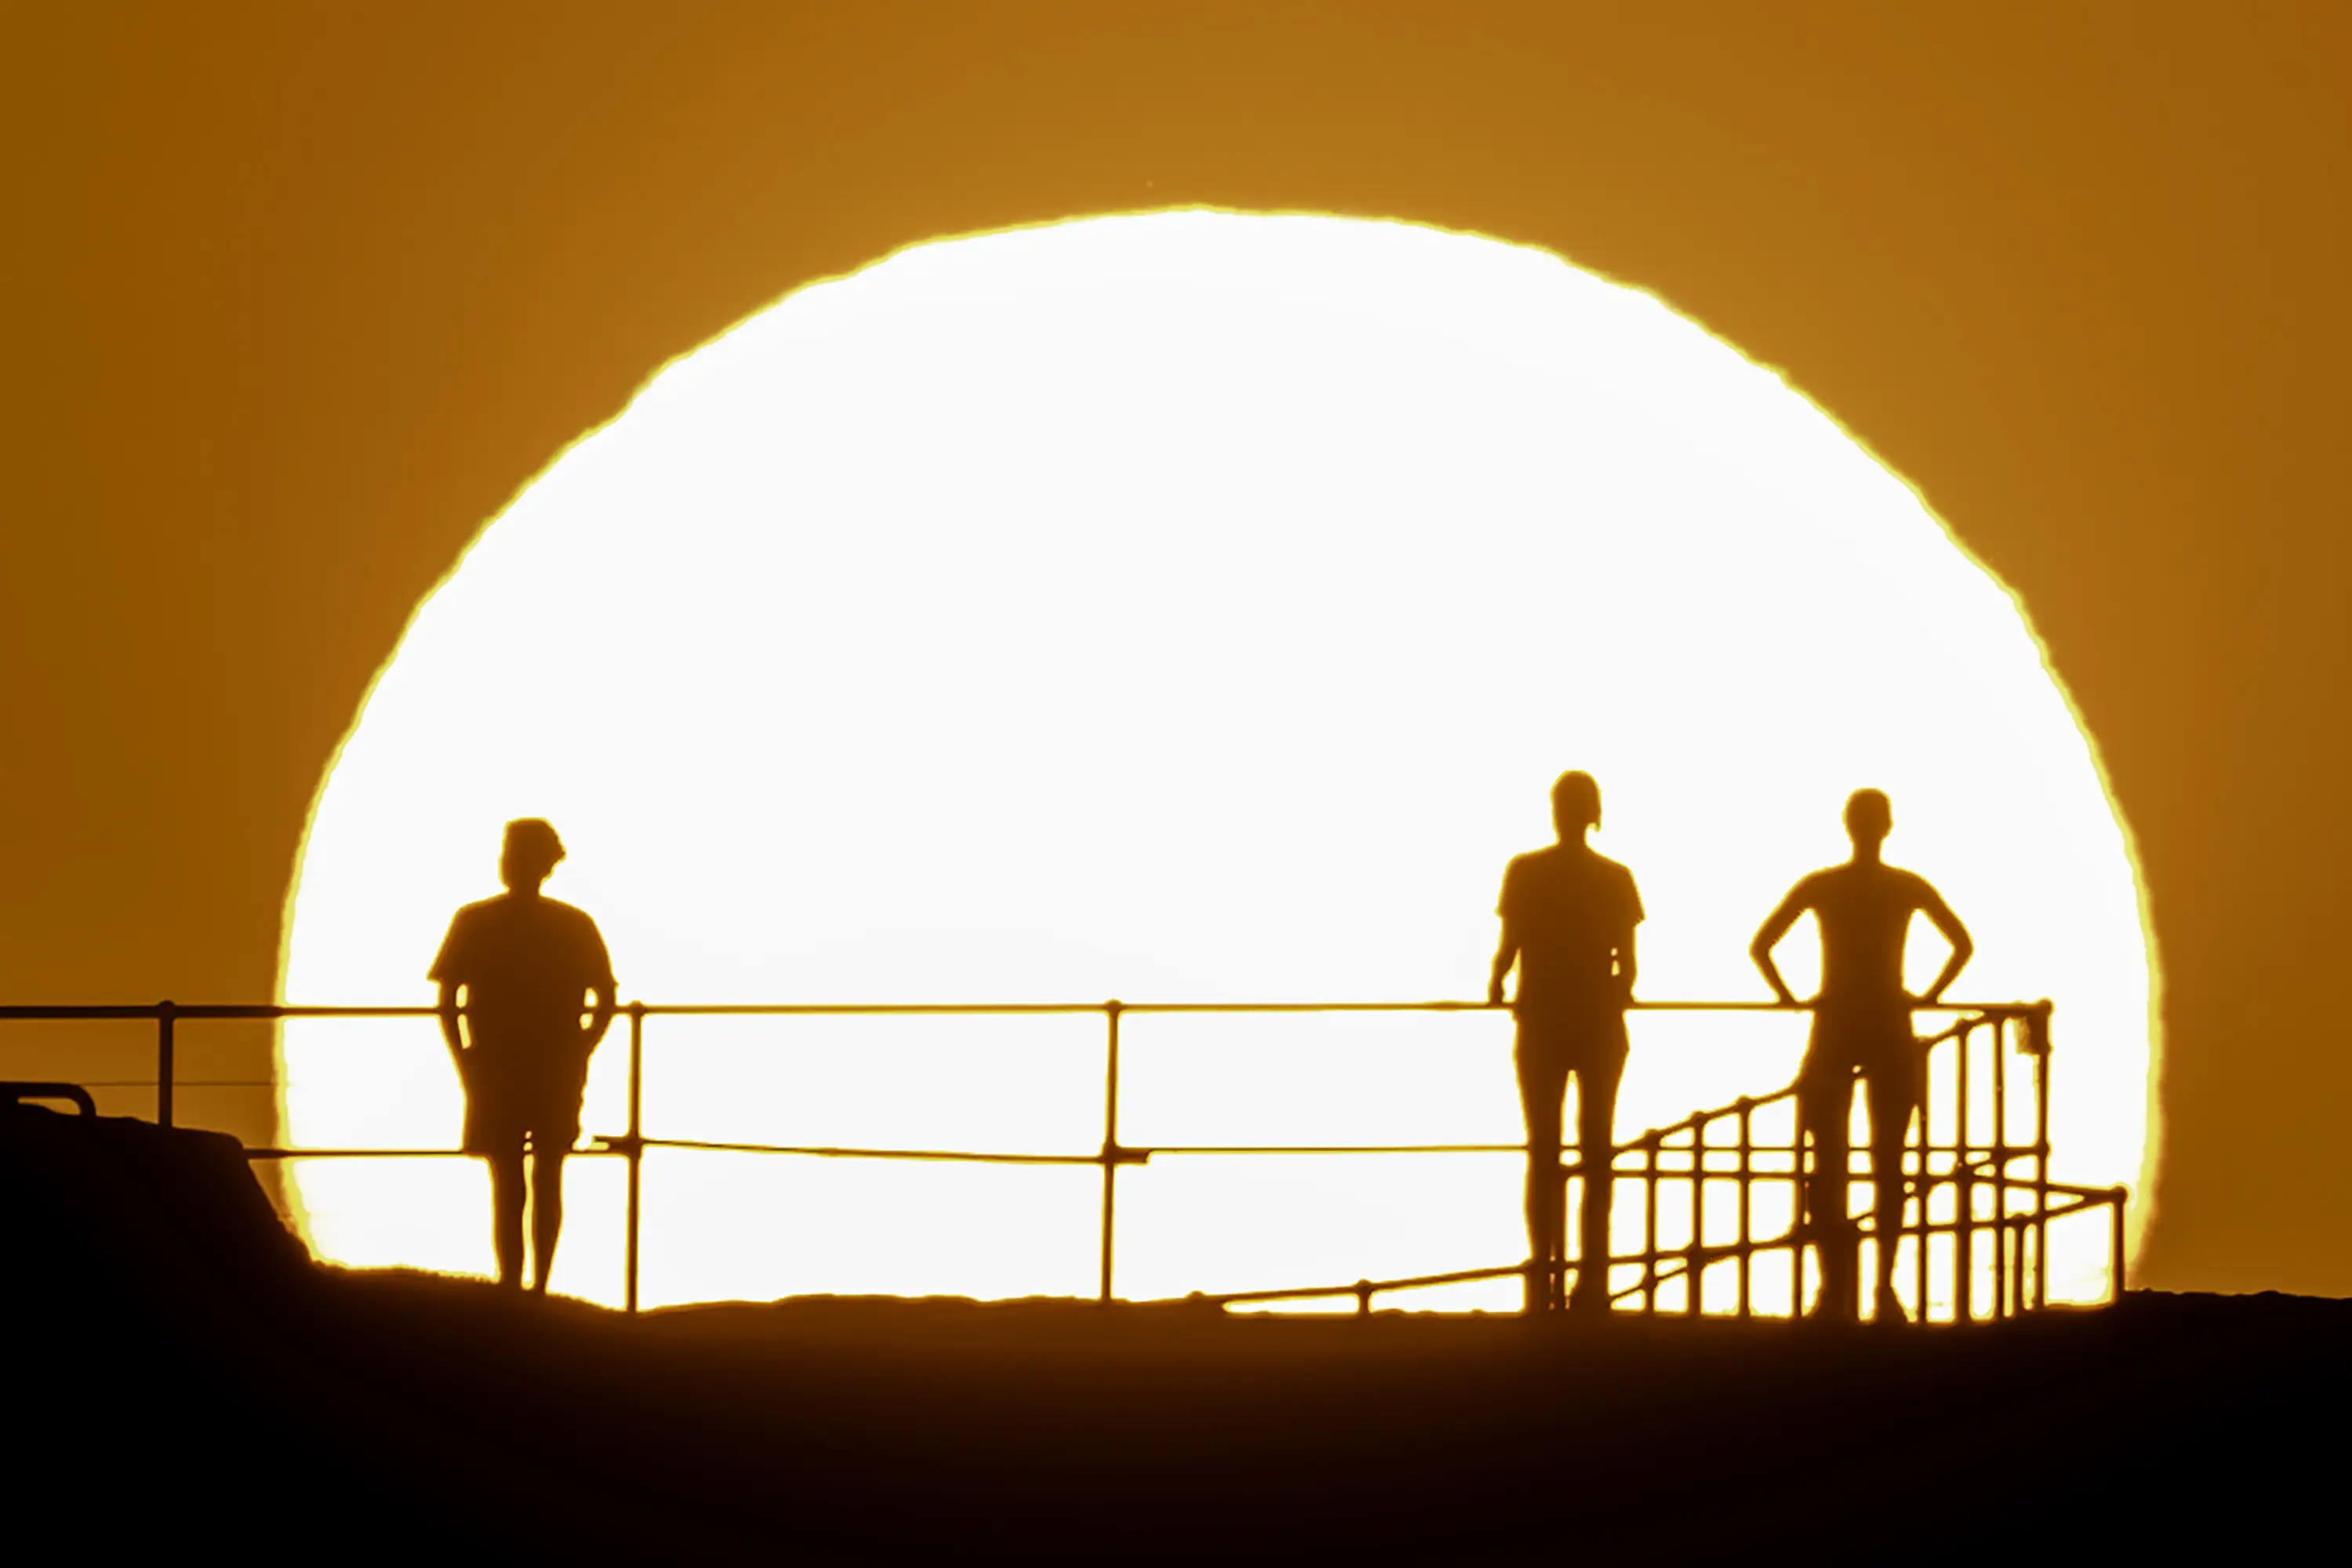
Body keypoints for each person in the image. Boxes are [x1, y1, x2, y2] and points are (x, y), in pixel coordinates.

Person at [1750, 789, 1972, 1324]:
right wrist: (1926, 995)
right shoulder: (1905, 887)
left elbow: (1762, 946)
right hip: (1891, 1026)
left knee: (1826, 1163)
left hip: (1836, 1025)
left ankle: (1832, 1289)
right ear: (1887, 827)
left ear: (1848, 826)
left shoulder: (1824, 886)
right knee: (1889, 1163)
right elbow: (1962, 945)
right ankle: (1885, 1288)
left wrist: (1791, 997)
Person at [432, 818, 615, 1295]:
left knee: (512, 1176)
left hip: (500, 1064)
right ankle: (532, 1287)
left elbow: (448, 999)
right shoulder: (573, 924)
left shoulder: (476, 920)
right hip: (542, 1065)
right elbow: (606, 997)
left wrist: (465, 1057)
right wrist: (582, 1046)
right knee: (541, 1173)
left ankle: (516, 1285)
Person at [1488, 771, 1643, 1316]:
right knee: (1597, 1151)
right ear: (1594, 813)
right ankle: (1593, 1279)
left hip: (1542, 1020)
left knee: (1543, 1150)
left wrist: (1496, 985)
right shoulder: (1616, 878)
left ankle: (1541, 1274)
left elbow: (1509, 947)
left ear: (1556, 811)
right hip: (1599, 1022)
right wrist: (1617, 992)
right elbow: (1629, 965)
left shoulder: (1526, 871)